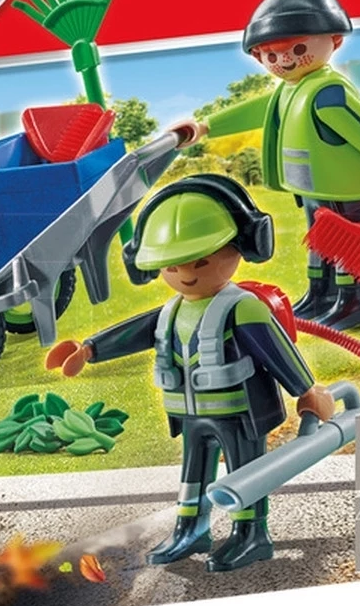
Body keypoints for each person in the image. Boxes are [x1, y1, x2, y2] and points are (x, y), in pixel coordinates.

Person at [47, 175, 334, 572]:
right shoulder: (172, 311)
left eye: (201, 261)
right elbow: (135, 332)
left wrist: (306, 389)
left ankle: (251, 534)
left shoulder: (243, 307)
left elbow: (275, 350)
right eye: (172, 265)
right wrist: (90, 349)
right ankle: (191, 528)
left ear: (246, 243)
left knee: (246, 472)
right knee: (193, 474)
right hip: (190, 414)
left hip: (240, 413)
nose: (186, 274)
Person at [172, 0, 360, 330]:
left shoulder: (327, 91)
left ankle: (356, 300)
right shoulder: (290, 89)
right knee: (320, 243)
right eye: (271, 56)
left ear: (335, 40)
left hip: (344, 187)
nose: (285, 61)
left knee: (349, 245)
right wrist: (206, 126)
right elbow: (255, 110)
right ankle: (321, 294)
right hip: (312, 187)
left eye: (296, 49)